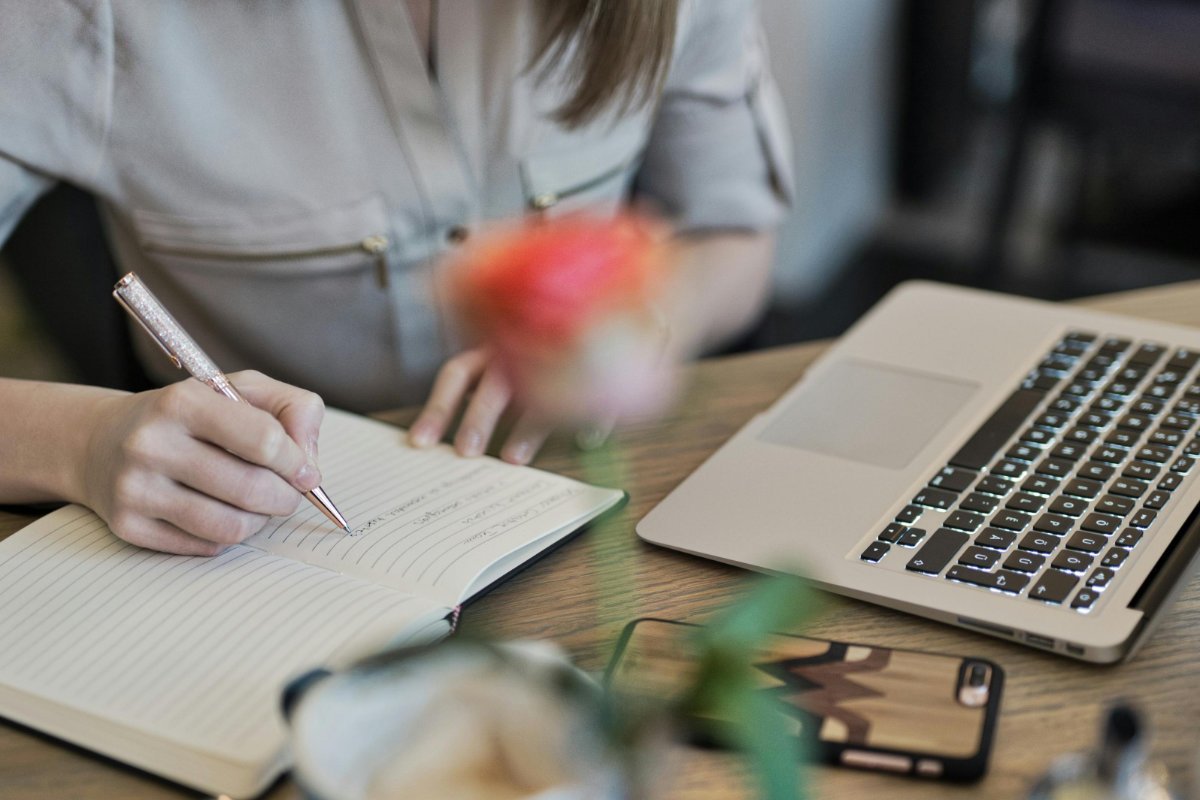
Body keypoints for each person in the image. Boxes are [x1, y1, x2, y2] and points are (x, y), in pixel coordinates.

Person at [0, 0, 793, 554]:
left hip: (594, 493)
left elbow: (734, 235)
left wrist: (648, 325)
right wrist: (84, 442)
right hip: (251, 537)